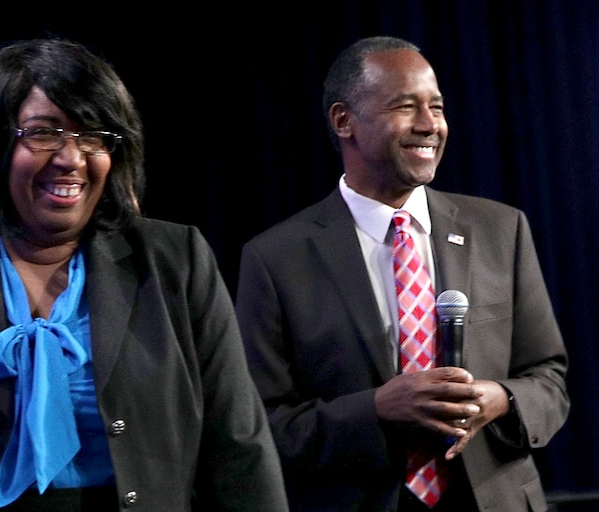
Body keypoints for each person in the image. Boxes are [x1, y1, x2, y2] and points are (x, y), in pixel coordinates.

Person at [0, 37, 290, 512]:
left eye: (93, 135)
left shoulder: (176, 258)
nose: (72, 158)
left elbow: (240, 449)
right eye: (43, 132)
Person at [234, 35, 569, 512]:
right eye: (406, 107)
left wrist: (498, 398)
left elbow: (550, 380)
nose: (430, 124)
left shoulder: (501, 230)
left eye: (437, 106)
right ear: (343, 120)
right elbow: (259, 424)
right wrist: (376, 410)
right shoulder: (275, 259)